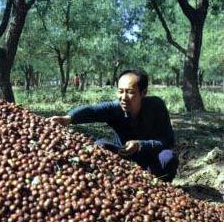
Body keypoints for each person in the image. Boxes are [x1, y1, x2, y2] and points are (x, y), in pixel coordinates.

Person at [50, 69, 179, 182]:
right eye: (120, 91)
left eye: (130, 92)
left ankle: (156, 185)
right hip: (123, 156)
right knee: (100, 146)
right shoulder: (116, 108)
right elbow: (93, 110)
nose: (123, 97)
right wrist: (68, 118)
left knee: (168, 158)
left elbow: (167, 140)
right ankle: (115, 181)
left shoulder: (156, 106)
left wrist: (141, 145)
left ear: (143, 93)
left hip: (152, 156)